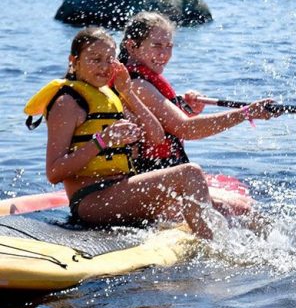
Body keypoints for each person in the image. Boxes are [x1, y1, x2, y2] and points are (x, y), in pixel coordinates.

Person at [24, 27, 220, 239]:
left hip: (119, 191)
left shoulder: (111, 95)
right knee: (190, 173)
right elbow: (54, 172)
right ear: (74, 60)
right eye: (95, 59)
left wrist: (127, 93)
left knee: (228, 208)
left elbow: (156, 136)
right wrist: (102, 141)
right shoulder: (67, 102)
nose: (104, 66)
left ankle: (221, 243)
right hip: (91, 201)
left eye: (109, 60)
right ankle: (210, 248)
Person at [118, 11, 280, 216]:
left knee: (244, 203)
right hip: (147, 180)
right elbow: (186, 129)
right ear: (132, 46)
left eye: (169, 46)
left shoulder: (138, 80)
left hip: (163, 176)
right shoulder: (137, 84)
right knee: (243, 210)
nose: (164, 54)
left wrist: (184, 108)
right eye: (157, 45)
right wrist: (246, 113)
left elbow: (170, 124)